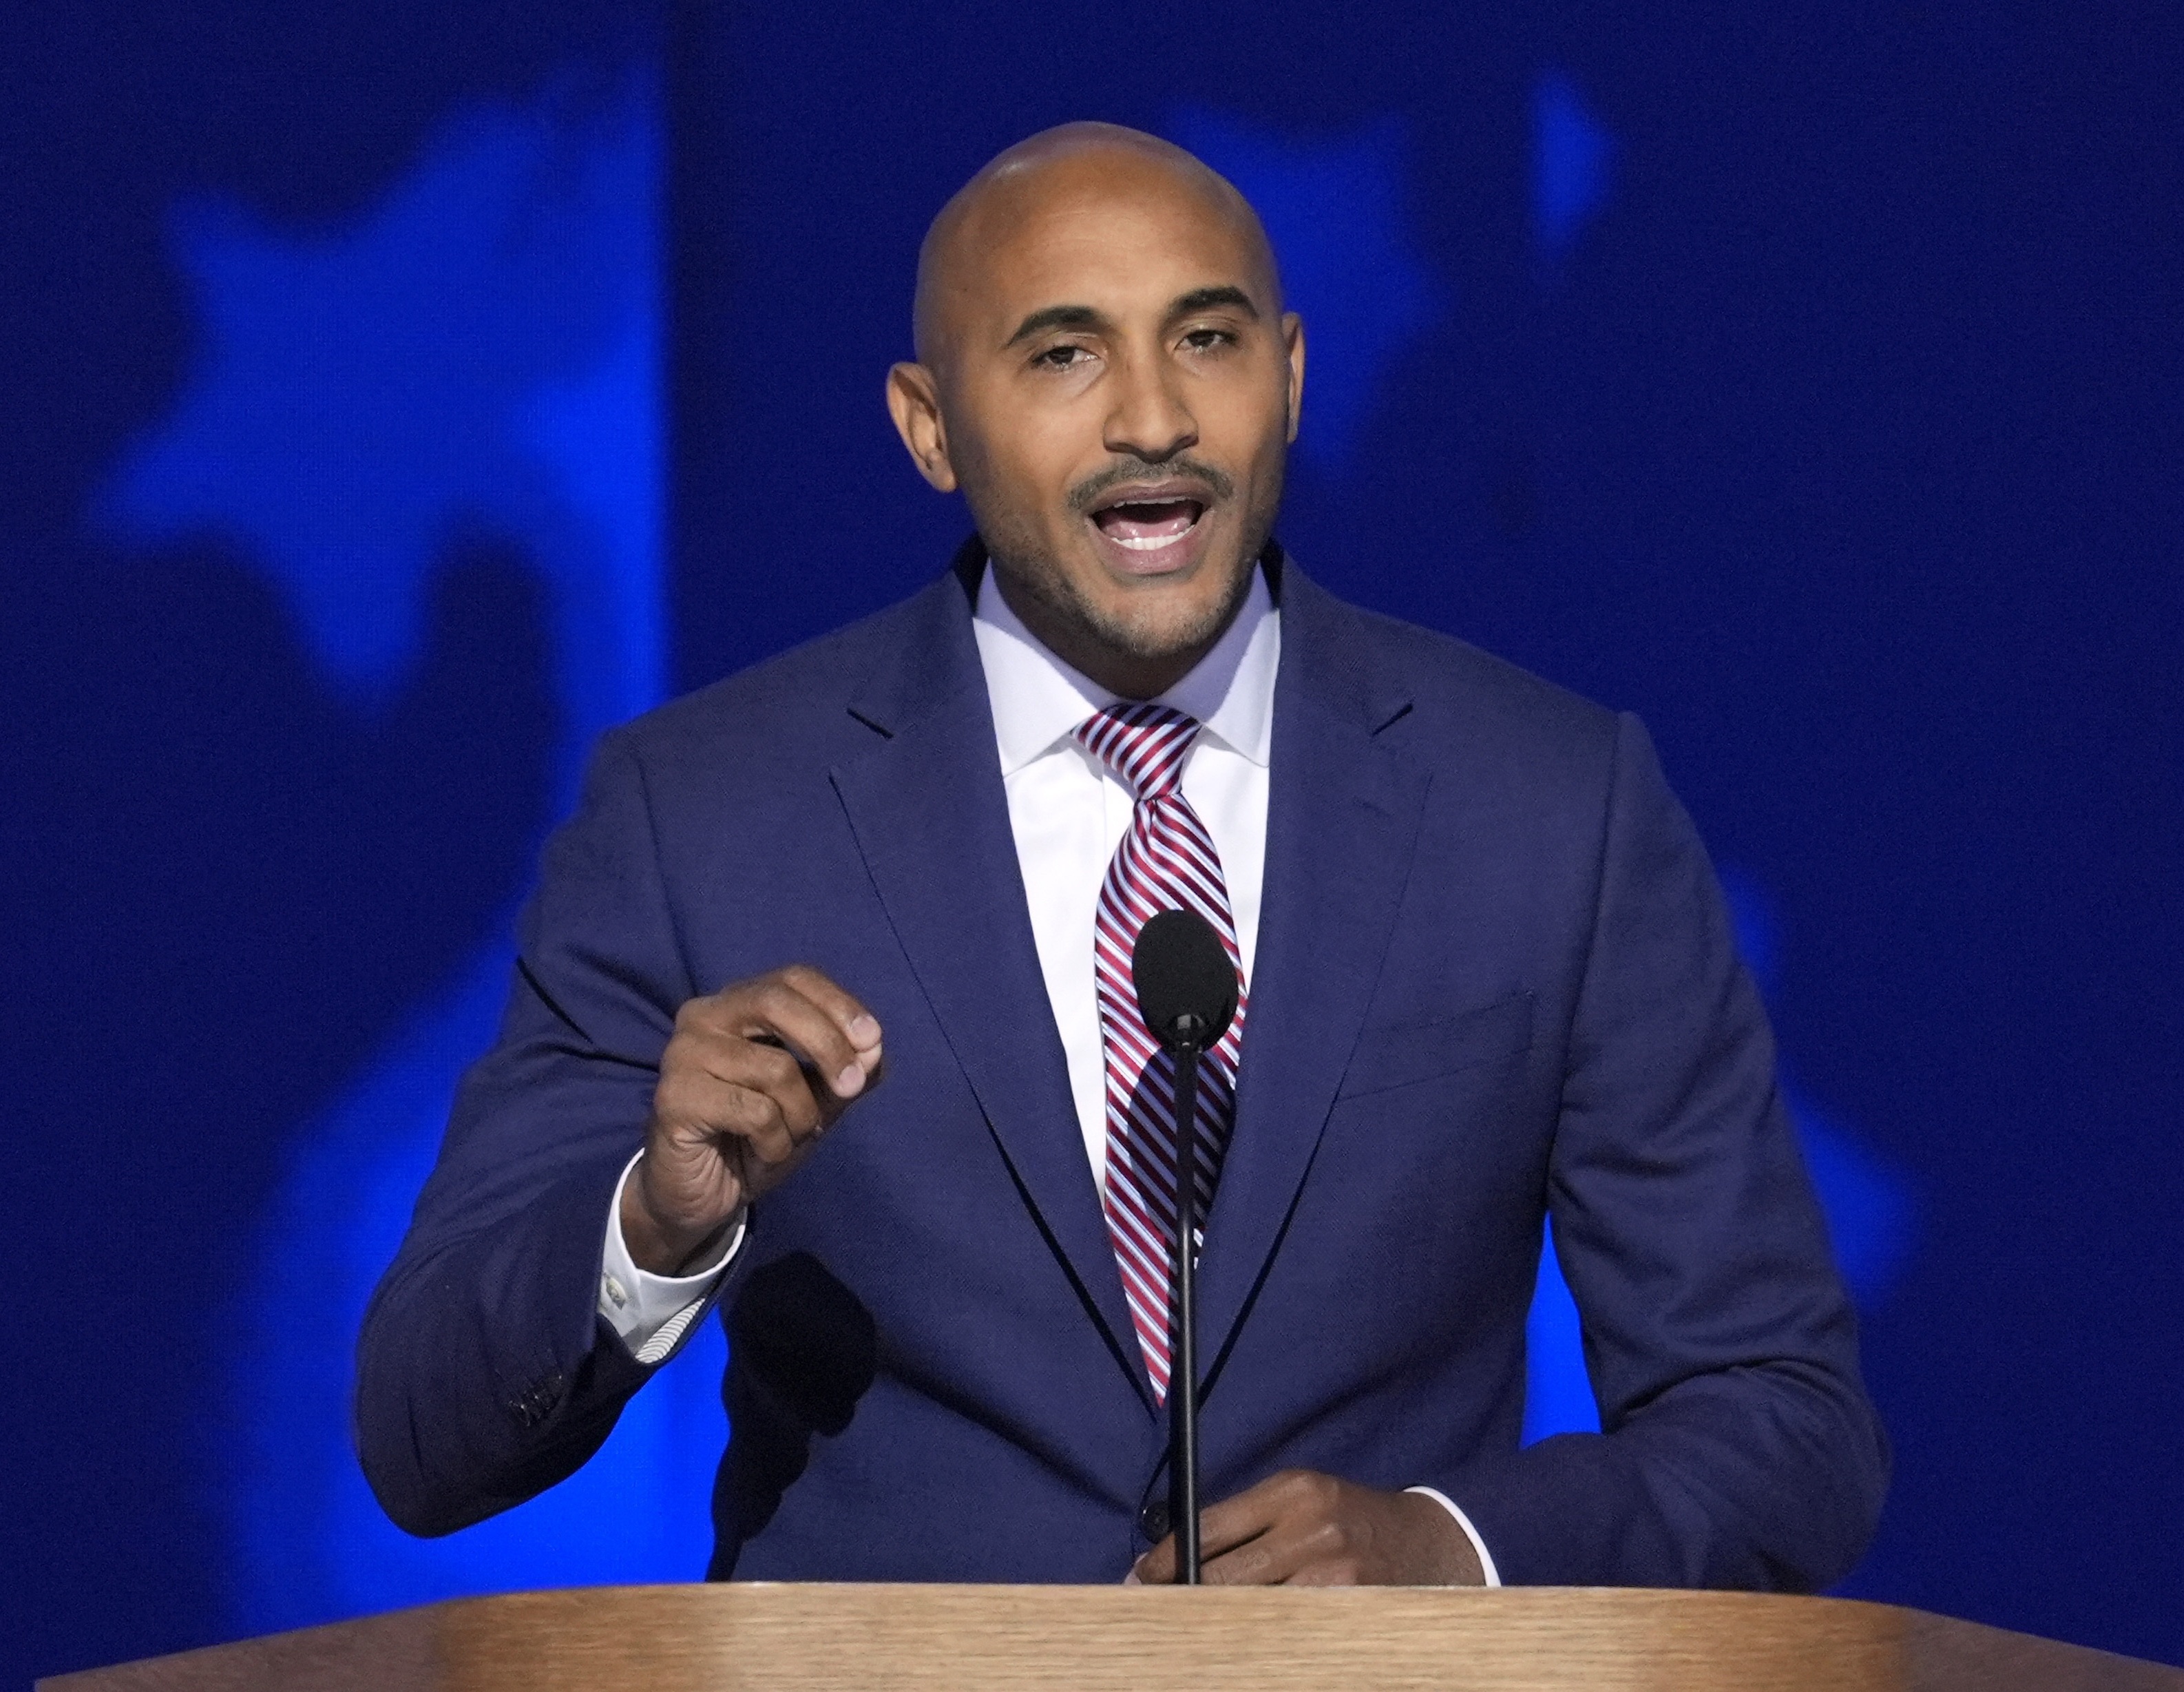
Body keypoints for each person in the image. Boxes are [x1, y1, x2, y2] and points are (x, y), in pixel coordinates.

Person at [357, 122, 1887, 1588]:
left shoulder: (1552, 804)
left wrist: (1453, 1548)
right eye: (1063, 352)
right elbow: (423, 1439)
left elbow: (1785, 1425)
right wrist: (652, 1224)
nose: (1152, 417)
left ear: (1288, 378)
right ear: (929, 425)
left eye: (1209, 340)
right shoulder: (698, 809)